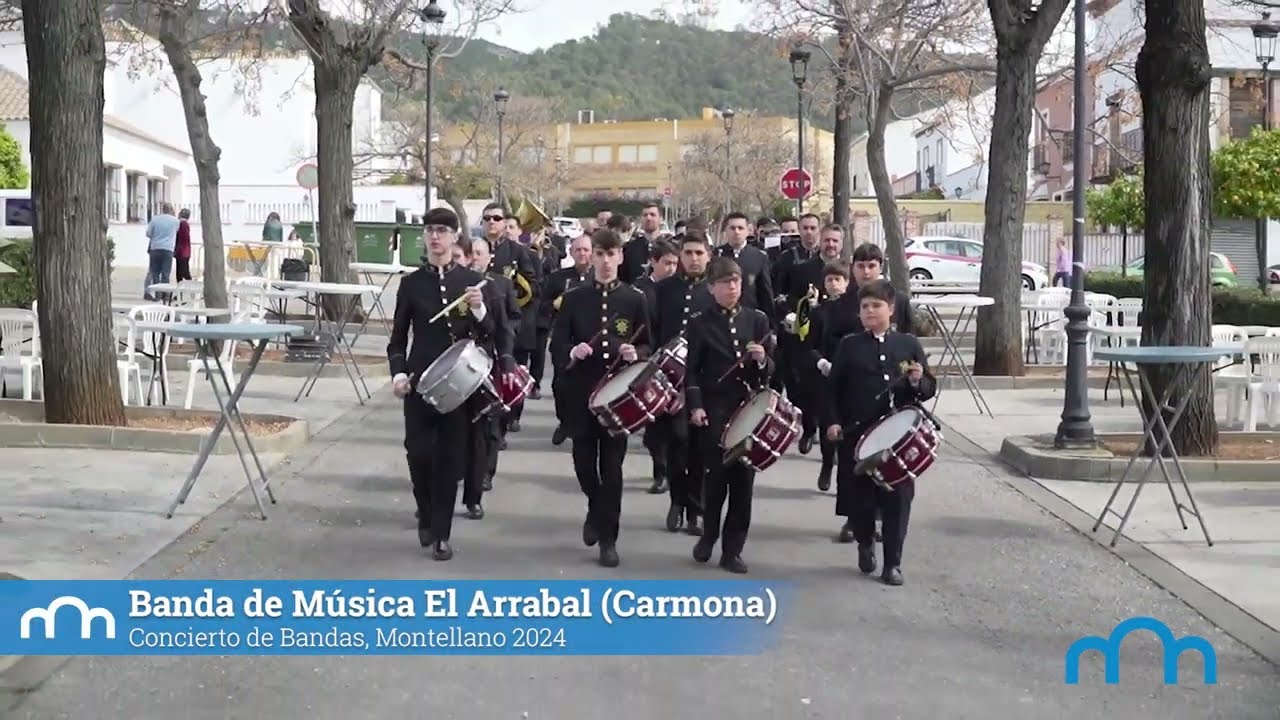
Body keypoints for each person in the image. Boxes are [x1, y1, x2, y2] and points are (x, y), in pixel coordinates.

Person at [388, 207, 493, 561]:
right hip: (420, 382)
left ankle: (442, 534)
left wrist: (479, 311)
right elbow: (397, 340)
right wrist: (398, 373)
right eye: (430, 230)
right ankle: (426, 511)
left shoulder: (471, 281)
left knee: (450, 460)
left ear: (454, 237)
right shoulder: (412, 283)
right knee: (418, 454)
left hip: (460, 386)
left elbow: (489, 334)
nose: (435, 237)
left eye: (442, 231)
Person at [823, 279, 935, 586]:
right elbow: (832, 391)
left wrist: (916, 381)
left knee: (898, 499)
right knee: (860, 502)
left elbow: (928, 389)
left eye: (876, 306)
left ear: (891, 309)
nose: (870, 311)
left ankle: (893, 563)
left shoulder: (908, 344)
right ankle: (864, 541)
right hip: (858, 435)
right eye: (864, 307)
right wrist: (832, 423)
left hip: (898, 438)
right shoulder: (849, 345)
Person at [549, 228, 651, 568]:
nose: (605, 261)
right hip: (581, 394)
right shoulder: (575, 298)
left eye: (611, 254)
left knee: (613, 468)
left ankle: (609, 538)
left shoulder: (635, 299)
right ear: (590, 257)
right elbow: (557, 344)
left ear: (621, 257)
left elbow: (648, 343)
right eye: (599, 255)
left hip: (617, 397)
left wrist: (635, 352)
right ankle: (596, 507)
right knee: (583, 464)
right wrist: (571, 351)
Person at [810, 242, 913, 540]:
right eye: (860, 265)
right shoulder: (843, 302)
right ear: (852, 268)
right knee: (852, 463)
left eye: (872, 265)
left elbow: (906, 339)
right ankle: (854, 520)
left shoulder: (899, 300)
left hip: (887, 388)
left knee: (886, 459)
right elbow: (827, 336)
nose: (866, 271)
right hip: (847, 381)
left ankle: (879, 518)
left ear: (880, 267)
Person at [686, 256, 774, 574]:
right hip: (715, 409)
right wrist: (695, 405)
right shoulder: (699, 322)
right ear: (711, 288)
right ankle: (709, 535)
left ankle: (733, 550)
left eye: (735, 282)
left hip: (748, 410)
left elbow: (769, 375)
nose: (731, 287)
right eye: (724, 283)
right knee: (717, 481)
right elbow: (691, 372)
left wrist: (763, 361)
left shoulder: (757, 320)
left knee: (743, 484)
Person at [650, 231, 714, 535]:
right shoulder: (663, 290)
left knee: (700, 448)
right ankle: (677, 500)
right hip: (669, 381)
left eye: (699, 253)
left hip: (704, 382)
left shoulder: (716, 291)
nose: (693, 258)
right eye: (688, 253)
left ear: (708, 256)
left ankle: (695, 510)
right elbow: (652, 333)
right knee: (675, 444)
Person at [462, 237, 519, 509]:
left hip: (488, 361)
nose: (475, 258)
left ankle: (484, 475)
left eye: (479, 253)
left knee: (489, 424)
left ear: (489, 257)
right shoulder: (456, 284)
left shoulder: (498, 286)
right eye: (470, 253)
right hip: (459, 363)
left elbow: (507, 324)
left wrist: (507, 359)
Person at [481, 202, 540, 433]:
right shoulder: (477, 248)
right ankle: (492, 420)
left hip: (513, 321)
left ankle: (512, 416)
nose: (491, 222)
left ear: (505, 223)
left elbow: (533, 285)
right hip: (484, 323)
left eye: (496, 218)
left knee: (513, 373)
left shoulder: (519, 252)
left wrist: (512, 296)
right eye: (487, 219)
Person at [632, 239, 680, 494]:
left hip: (675, 361)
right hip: (649, 360)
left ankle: (673, 470)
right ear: (653, 262)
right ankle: (659, 471)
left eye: (675, 263)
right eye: (666, 263)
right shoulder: (641, 290)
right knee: (654, 423)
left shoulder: (678, 289)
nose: (672, 268)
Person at [801, 262, 850, 493]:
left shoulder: (856, 310)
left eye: (838, 280)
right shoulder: (818, 312)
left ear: (847, 282)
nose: (834, 284)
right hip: (825, 371)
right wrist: (821, 362)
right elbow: (809, 345)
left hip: (850, 372)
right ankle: (827, 464)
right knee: (827, 424)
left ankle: (846, 479)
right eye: (830, 280)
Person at [544, 234, 594, 446]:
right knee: (560, 384)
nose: (582, 254)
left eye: (586, 250)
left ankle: (583, 424)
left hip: (590, 339)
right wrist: (554, 304)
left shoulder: (598, 277)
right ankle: (564, 421)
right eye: (578, 250)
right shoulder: (558, 278)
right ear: (571, 252)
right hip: (564, 338)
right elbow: (543, 305)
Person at [621, 202, 668, 283]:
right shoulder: (630, 248)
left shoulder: (669, 248)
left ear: (661, 219)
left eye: (652, 215)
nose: (648, 218)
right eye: (645, 215)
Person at [143, 203, 179, 300]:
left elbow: (148, 233)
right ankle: (165, 294)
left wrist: (156, 236)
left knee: (155, 272)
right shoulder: (175, 221)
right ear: (171, 210)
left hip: (155, 248)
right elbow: (176, 231)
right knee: (166, 273)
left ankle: (157, 294)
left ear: (162, 209)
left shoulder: (155, 219)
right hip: (168, 249)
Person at [174, 208, 193, 281]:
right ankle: (181, 289)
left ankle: (190, 287)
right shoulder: (183, 223)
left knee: (183, 272)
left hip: (182, 251)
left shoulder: (182, 223)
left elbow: (182, 238)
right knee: (180, 271)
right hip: (183, 251)